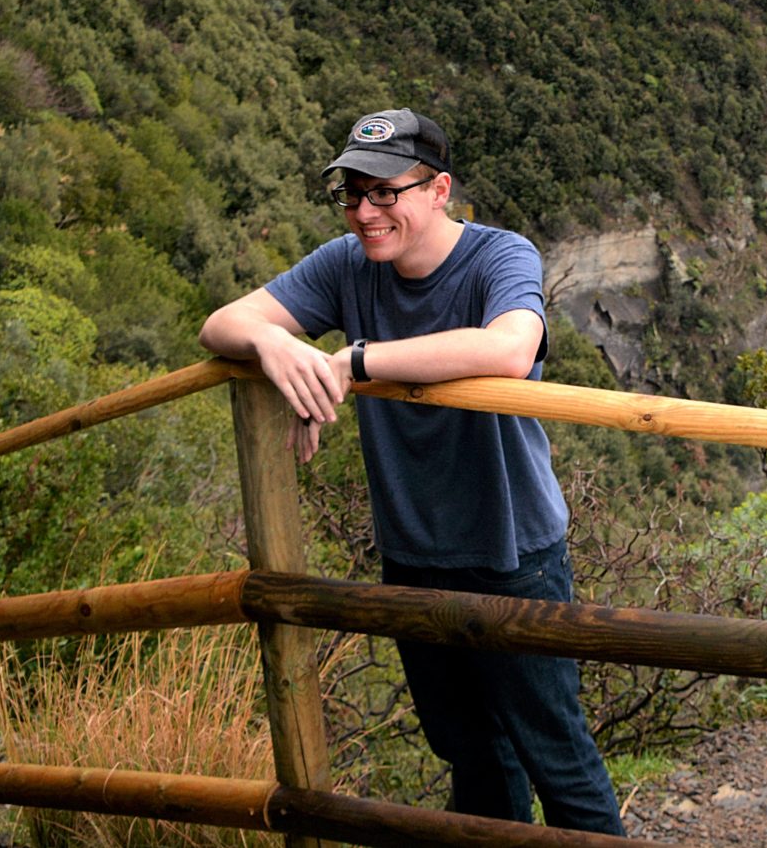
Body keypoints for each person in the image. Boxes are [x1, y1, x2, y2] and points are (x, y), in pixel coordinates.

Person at [198, 108, 623, 834]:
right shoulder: (346, 264)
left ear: (438, 189)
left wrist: (352, 361)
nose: (366, 212)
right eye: (352, 193)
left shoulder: (500, 256)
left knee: (556, 755)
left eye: (385, 192)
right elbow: (221, 323)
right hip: (415, 555)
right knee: (469, 752)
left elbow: (510, 348)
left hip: (511, 551)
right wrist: (276, 348)